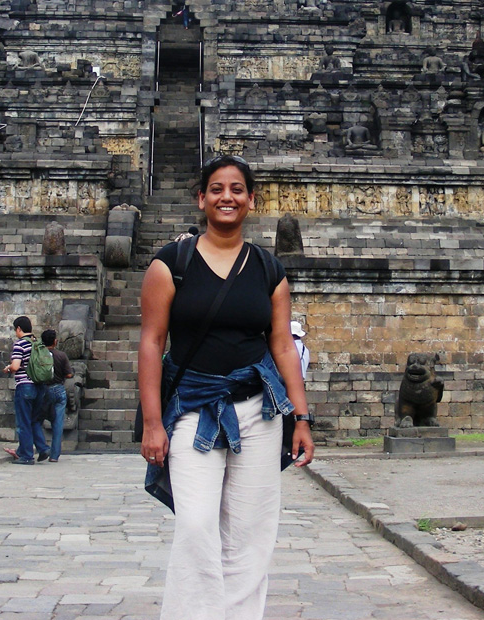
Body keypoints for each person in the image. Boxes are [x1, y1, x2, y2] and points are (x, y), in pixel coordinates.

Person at [138, 155, 315, 620]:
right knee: (196, 526)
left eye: (237, 189)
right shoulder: (170, 264)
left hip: (258, 410)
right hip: (192, 408)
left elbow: (281, 347)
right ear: (202, 198)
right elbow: (152, 343)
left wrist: (301, 417)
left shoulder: (268, 270)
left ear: (251, 200)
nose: (227, 197)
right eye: (216, 189)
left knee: (249, 533)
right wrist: (153, 424)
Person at [3, 316, 49, 465]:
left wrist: (8, 368)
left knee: (23, 422)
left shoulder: (20, 344)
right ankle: (42, 448)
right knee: (34, 421)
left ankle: (27, 456)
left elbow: (16, 366)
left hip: (25, 386)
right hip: (40, 386)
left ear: (18, 329)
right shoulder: (38, 343)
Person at [40, 329, 73, 462]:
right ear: (55, 341)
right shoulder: (61, 355)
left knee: (37, 420)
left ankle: (41, 447)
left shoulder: (40, 355)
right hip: (59, 389)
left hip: (44, 389)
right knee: (58, 424)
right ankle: (54, 455)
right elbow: (69, 374)